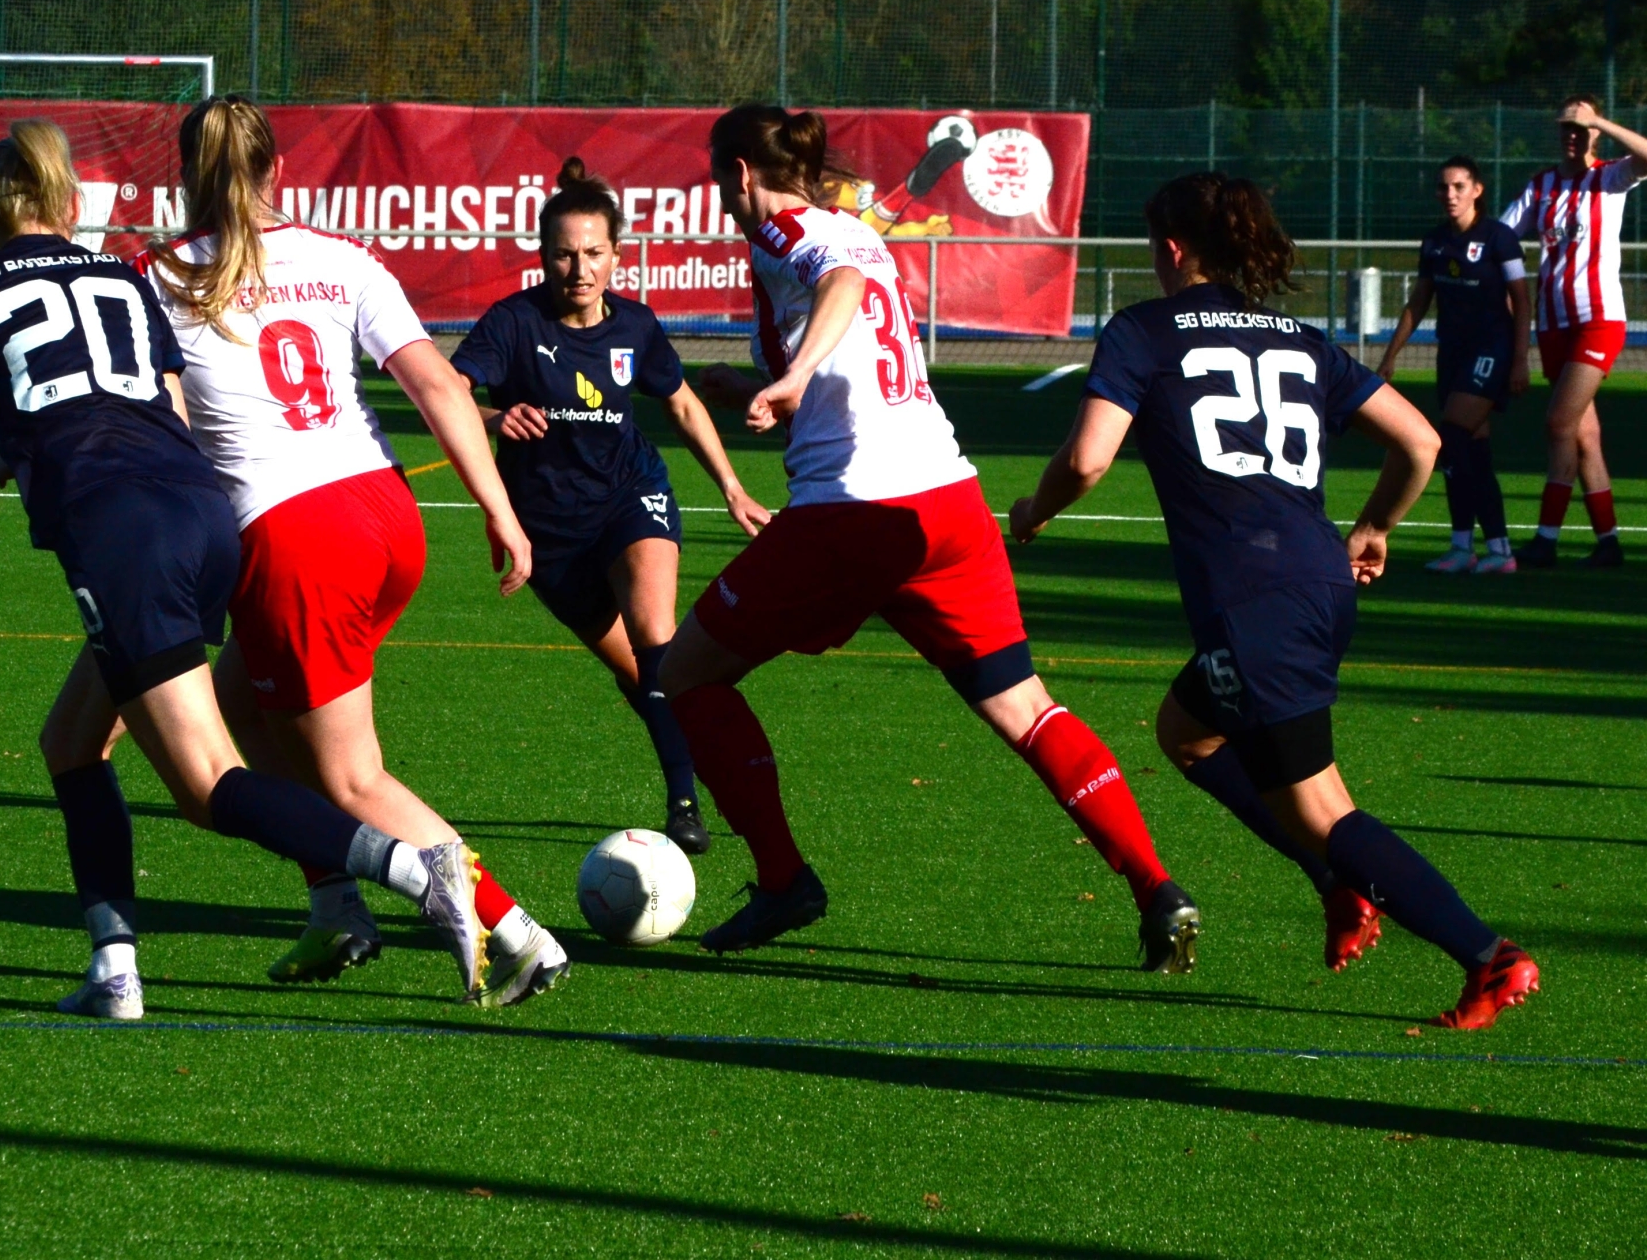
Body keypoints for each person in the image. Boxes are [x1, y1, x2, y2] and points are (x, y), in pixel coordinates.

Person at [0, 119, 487, 1021]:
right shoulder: (122, 276)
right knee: (73, 743)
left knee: (209, 782)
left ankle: (416, 869)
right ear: (71, 204)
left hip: (130, 536)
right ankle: (118, 968)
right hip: (212, 516)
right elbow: (163, 405)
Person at [659, 105, 1201, 968]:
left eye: (719, 176)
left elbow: (840, 283)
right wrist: (768, 382)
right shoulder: (848, 226)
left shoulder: (790, 231)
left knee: (684, 673)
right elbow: (854, 311)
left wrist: (793, 377)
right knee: (1026, 707)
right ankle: (1155, 886)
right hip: (948, 502)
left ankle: (784, 879)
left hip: (855, 514)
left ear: (739, 174)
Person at [1009, 171, 1538, 1030]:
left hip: (1255, 601)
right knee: (1187, 732)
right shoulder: (1300, 337)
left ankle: (1486, 954)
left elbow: (1086, 460)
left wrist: (1034, 510)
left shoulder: (1144, 329)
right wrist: (1375, 526)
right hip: (1319, 583)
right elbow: (1420, 439)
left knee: (1323, 808)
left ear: (1171, 249)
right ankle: (1338, 882)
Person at [112, 94, 562, 1008]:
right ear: (277, 170)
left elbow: (147, 422)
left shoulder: (156, 277)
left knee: (349, 776)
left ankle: (517, 933)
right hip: (386, 518)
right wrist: (501, 511)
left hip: (295, 538)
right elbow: (438, 384)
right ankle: (334, 905)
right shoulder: (342, 257)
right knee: (238, 711)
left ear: (184, 175)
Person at [451, 157, 772, 853]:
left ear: (616, 255)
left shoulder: (636, 326)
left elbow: (681, 404)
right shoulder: (512, 323)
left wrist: (732, 487)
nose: (579, 268)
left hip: (631, 494)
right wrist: (494, 416)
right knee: (642, 678)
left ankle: (685, 804)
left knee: (657, 640)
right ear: (543, 255)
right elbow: (448, 396)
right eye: (564, 254)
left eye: (594, 253)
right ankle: (702, 768)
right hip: (548, 530)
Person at [1501, 96, 1647, 569]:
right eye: (1567, 125)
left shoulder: (1609, 177)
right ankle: (1609, 544)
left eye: (1581, 127)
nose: (1573, 134)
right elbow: (1501, 236)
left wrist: (1599, 119)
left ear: (1596, 133)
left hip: (1597, 320)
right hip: (1553, 323)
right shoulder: (1542, 185)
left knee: (1558, 424)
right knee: (1585, 437)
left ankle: (1546, 539)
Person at [1376, 156, 1528, 574]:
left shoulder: (1498, 238)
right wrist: (1390, 355)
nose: (1450, 194)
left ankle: (1485, 547)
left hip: (1490, 351)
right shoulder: (1435, 242)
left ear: (1477, 190)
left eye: (1459, 186)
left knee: (1453, 437)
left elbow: (1522, 300)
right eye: (1443, 187)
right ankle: (1481, 548)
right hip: (1452, 355)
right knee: (1472, 452)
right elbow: (1419, 301)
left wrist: (1520, 359)